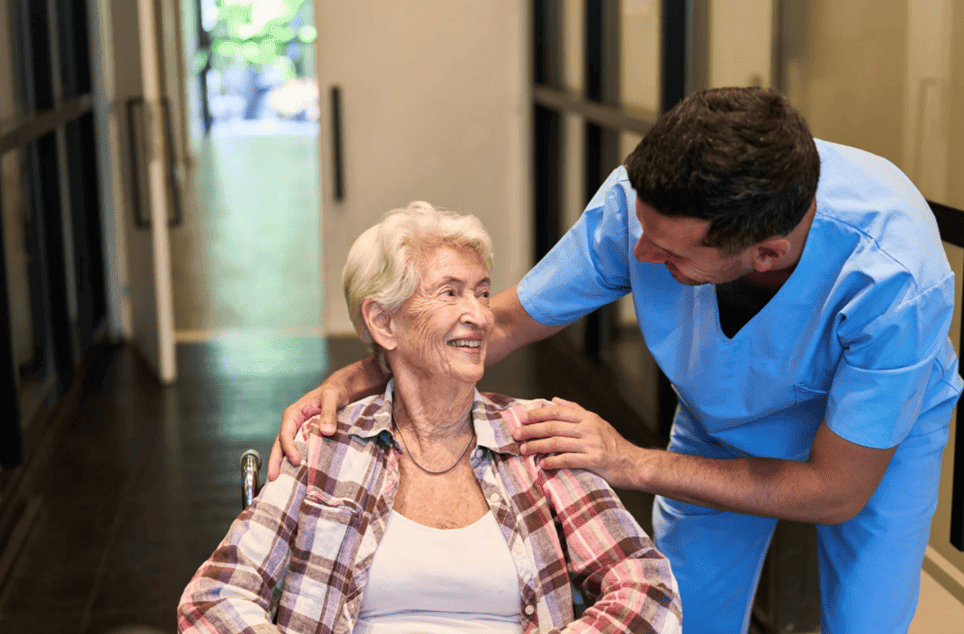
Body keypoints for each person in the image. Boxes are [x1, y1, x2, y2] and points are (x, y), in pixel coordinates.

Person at [270, 88, 964, 633]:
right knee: (683, 612)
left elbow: (835, 490)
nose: (639, 256)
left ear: (765, 254)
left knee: (868, 619)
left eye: (668, 253)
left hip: (869, 449)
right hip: (722, 418)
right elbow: (503, 320)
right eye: (642, 231)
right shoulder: (642, 207)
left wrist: (631, 461)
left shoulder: (896, 279)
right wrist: (366, 370)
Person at [178, 202, 682, 634]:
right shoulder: (327, 445)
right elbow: (214, 599)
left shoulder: (535, 436)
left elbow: (646, 586)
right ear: (383, 321)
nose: (481, 315)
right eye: (450, 292)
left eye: (482, 292)